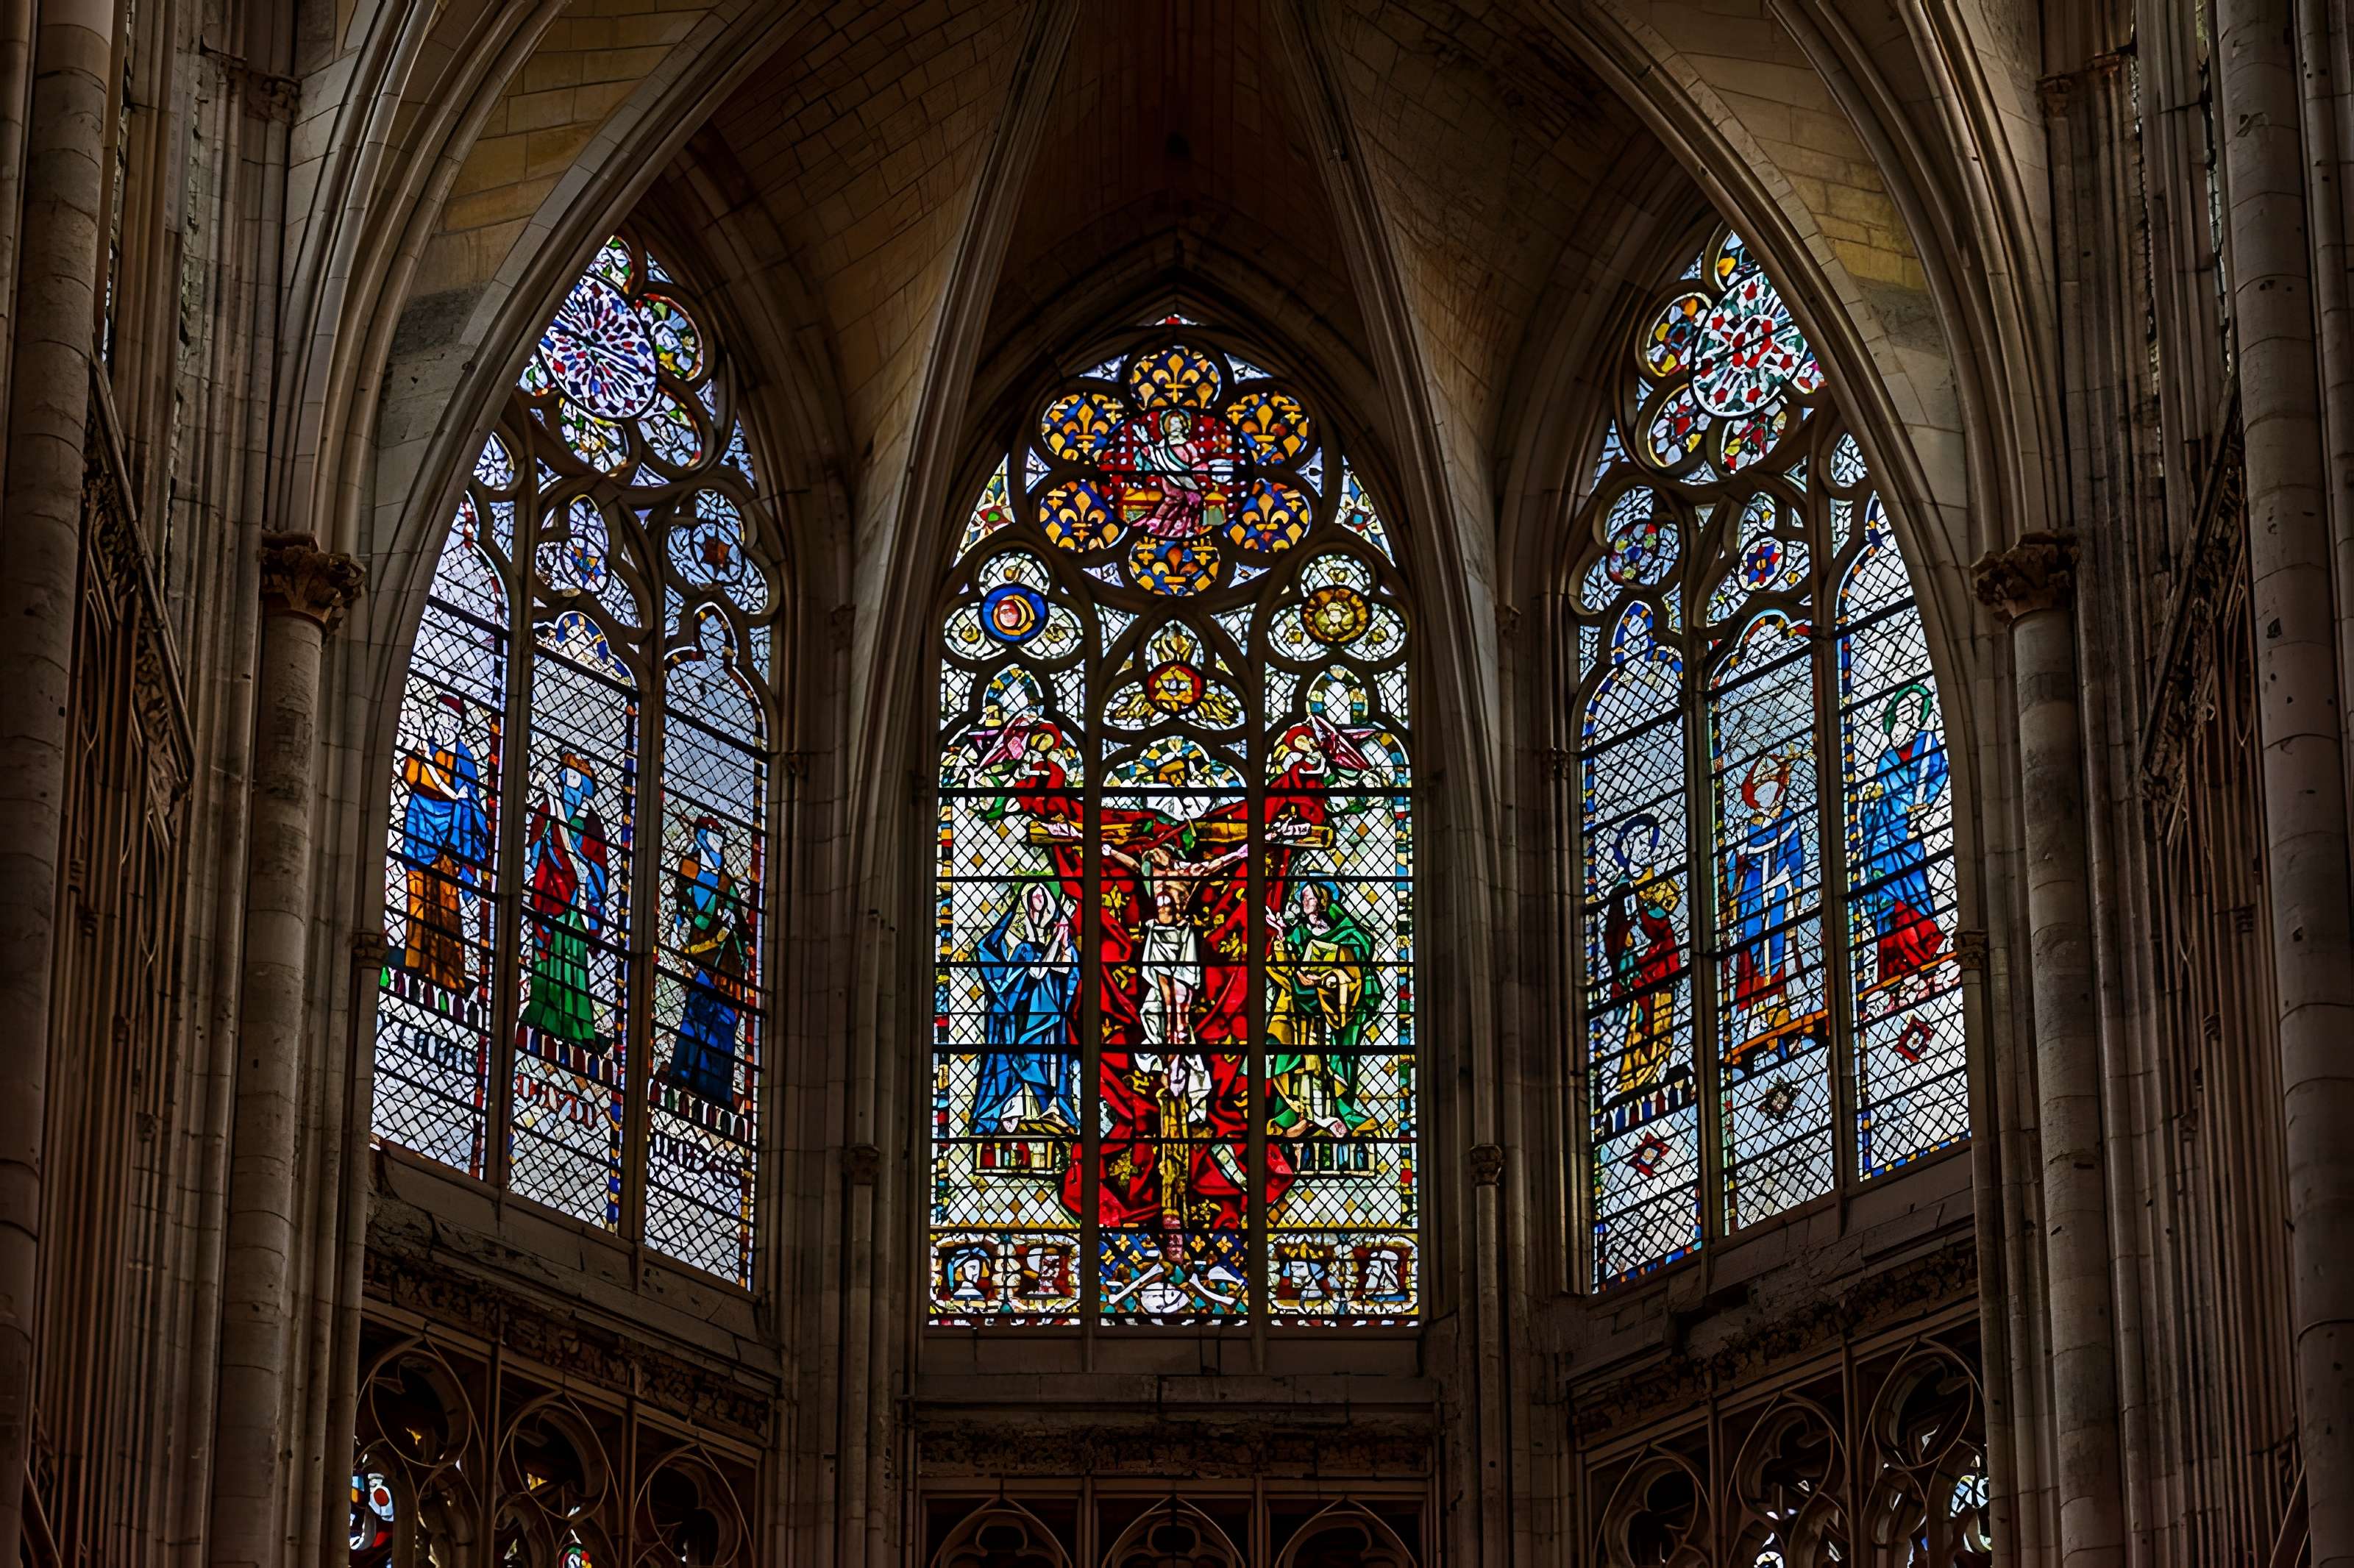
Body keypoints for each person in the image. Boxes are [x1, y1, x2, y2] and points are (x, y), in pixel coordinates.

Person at [1853, 685, 1948, 1013]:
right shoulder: (1886, 759)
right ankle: (1893, 978)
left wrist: (1920, 806)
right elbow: (1882, 798)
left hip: (1907, 838)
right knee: (1887, 908)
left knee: (1914, 897)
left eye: (1912, 714)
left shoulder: (1927, 745)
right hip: (1882, 840)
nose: (1906, 720)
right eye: (1901, 714)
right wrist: (1872, 805)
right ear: (1892, 721)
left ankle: (1926, 964)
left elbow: (1936, 777)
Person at [1267, 877, 1380, 1139]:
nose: (1305, 902)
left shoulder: (1347, 935)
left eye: (1310, 896)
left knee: (1325, 1061)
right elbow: (1283, 967)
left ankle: (1329, 1112)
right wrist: (1282, 937)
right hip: (1298, 1013)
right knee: (1302, 1062)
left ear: (1323, 900)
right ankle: (1306, 1114)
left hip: (1331, 1011)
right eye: (1303, 897)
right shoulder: (1297, 934)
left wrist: (1325, 980)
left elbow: (1354, 972)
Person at [517, 754, 611, 1052]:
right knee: (545, 955)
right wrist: (531, 860)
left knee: (573, 958)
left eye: (574, 775)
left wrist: (588, 875)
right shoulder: (549, 808)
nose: (567, 778)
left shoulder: (591, 822)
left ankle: (577, 1026)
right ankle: (543, 1014)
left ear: (584, 784)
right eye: (566, 773)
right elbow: (534, 847)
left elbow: (599, 865)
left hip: (575, 901)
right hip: (548, 891)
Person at [970, 881, 1078, 1133]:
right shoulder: (1023, 948)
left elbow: (1065, 972)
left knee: (1047, 1062)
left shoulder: (1062, 942)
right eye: (1033, 902)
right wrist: (1056, 939)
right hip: (1021, 1019)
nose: (1037, 907)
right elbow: (1032, 974)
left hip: (1049, 1017)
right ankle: (1012, 1109)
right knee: (1020, 1058)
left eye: (1042, 901)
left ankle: (1051, 1108)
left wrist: (1062, 940)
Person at [399, 696, 490, 994]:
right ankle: (415, 963)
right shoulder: (425, 748)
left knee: (447, 901)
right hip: (420, 828)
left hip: (450, 837)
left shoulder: (463, 757)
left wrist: (454, 799)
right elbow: (411, 774)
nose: (443, 723)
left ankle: (448, 974)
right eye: (440, 716)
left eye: (450, 719)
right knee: (418, 897)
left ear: (458, 725)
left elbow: (470, 796)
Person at [1724, 752, 1805, 1060]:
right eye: (1764, 791)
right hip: (1752, 899)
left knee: (1780, 949)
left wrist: (1793, 892)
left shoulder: (1788, 822)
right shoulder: (1746, 831)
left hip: (1780, 895)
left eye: (1775, 789)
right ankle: (1755, 1018)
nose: (1771, 795)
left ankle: (1782, 1010)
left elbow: (1797, 860)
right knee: (1753, 953)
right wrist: (1733, 897)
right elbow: (1732, 870)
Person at [665, 816, 748, 1102]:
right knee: (696, 1013)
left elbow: (742, 926)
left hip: (727, 963)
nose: (719, 841)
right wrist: (680, 931)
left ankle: (715, 1088)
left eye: (721, 836)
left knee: (723, 1022)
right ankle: (683, 1075)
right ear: (701, 837)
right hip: (702, 956)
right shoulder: (690, 871)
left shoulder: (727, 883)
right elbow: (685, 911)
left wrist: (734, 927)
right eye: (714, 835)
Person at [1604, 814, 1682, 1097]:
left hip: (1659, 962)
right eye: (1638, 843)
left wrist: (1652, 917)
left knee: (1662, 1014)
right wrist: (1627, 939)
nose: (1644, 848)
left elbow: (1668, 914)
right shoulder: (1622, 889)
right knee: (1638, 1019)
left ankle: (1660, 1062)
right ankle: (1634, 1075)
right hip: (1635, 967)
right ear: (1627, 850)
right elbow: (1612, 932)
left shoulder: (1657, 879)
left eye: (1647, 843)